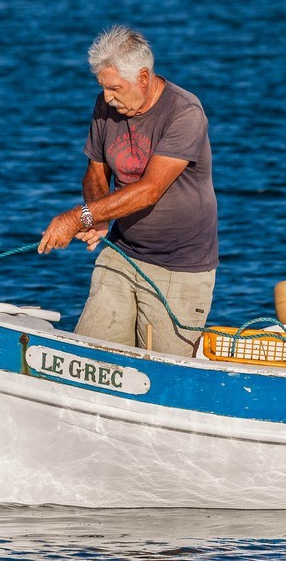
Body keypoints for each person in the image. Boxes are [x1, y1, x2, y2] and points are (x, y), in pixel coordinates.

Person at [38, 25, 218, 357]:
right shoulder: (106, 106)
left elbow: (150, 190)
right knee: (91, 355)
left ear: (144, 79)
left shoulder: (184, 113)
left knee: (164, 373)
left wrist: (80, 217)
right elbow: (95, 172)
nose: (107, 97)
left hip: (178, 268)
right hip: (121, 254)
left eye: (115, 88)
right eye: (103, 88)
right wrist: (98, 217)